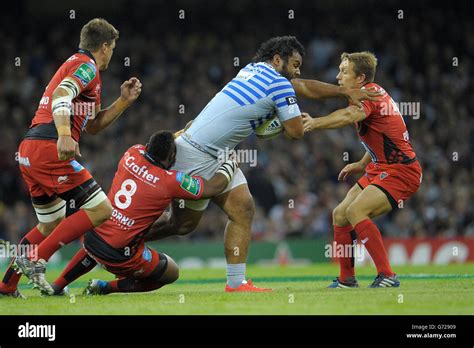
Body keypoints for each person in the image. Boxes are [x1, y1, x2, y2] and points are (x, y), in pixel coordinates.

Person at [147, 36, 380, 292]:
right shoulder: (279, 85)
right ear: (277, 60)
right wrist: (283, 122)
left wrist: (342, 91)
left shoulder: (252, 69)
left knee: (242, 208)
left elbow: (301, 86)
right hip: (196, 154)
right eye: (294, 64)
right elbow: (295, 132)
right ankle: (125, 240)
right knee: (181, 224)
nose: (297, 70)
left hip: (211, 152)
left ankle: (236, 283)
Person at [1, 18, 142, 297]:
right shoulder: (85, 65)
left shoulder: (88, 73)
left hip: (31, 149)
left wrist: (123, 101)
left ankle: (7, 284)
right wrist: (65, 134)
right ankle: (36, 258)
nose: (112, 53)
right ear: (105, 46)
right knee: (102, 209)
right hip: (49, 145)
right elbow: (62, 93)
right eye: (112, 47)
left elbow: (93, 126)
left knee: (49, 223)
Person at [46, 131, 238, 296]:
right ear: (171, 157)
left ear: (148, 147)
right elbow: (212, 188)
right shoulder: (170, 181)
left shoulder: (132, 152)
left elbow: (160, 143)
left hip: (90, 235)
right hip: (120, 255)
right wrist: (230, 164)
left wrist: (180, 134)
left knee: (102, 240)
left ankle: (57, 286)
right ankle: (106, 287)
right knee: (171, 272)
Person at [302, 51, 422, 288]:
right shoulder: (373, 94)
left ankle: (387, 275)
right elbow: (383, 136)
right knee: (340, 214)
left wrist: (315, 122)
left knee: (356, 211)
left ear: (361, 78)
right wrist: (361, 163)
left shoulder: (369, 97)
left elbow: (348, 116)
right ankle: (347, 279)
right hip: (380, 167)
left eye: (344, 71)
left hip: (401, 171)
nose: (338, 76)